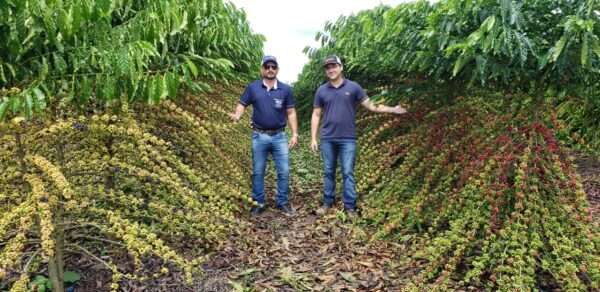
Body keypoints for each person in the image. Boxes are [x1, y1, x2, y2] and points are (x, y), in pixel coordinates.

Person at [310, 55, 407, 219]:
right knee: (328, 171)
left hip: (348, 138)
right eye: (328, 67)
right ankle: (327, 203)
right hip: (328, 138)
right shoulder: (321, 90)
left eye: (334, 66)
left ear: (341, 67)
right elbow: (316, 114)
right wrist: (313, 137)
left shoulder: (354, 87)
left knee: (348, 172)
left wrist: (393, 109)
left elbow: (371, 105)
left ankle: (350, 207)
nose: (331, 70)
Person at [229, 55, 299, 216]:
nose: (270, 70)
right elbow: (242, 104)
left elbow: (291, 112)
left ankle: (282, 202)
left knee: (284, 171)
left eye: (273, 67)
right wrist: (238, 115)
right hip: (259, 136)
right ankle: (258, 203)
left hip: (280, 136)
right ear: (262, 69)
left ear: (278, 69)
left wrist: (294, 133)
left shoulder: (285, 89)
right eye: (267, 66)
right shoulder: (252, 88)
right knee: (258, 172)